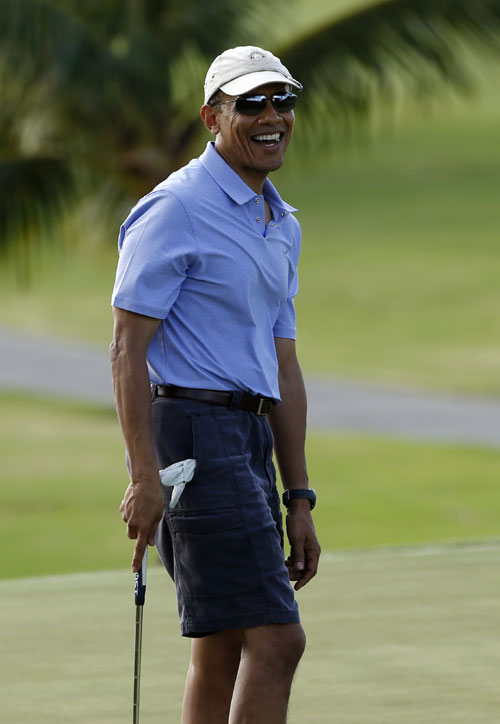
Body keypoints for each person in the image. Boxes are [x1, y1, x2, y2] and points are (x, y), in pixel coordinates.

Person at [110, 45, 321, 724]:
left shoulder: (279, 224)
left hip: (249, 434)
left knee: (225, 643)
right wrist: (143, 476)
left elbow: (283, 368)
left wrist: (299, 496)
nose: (271, 117)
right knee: (278, 639)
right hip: (193, 434)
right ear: (212, 117)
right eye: (250, 103)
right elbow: (126, 348)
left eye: (281, 101)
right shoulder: (174, 208)